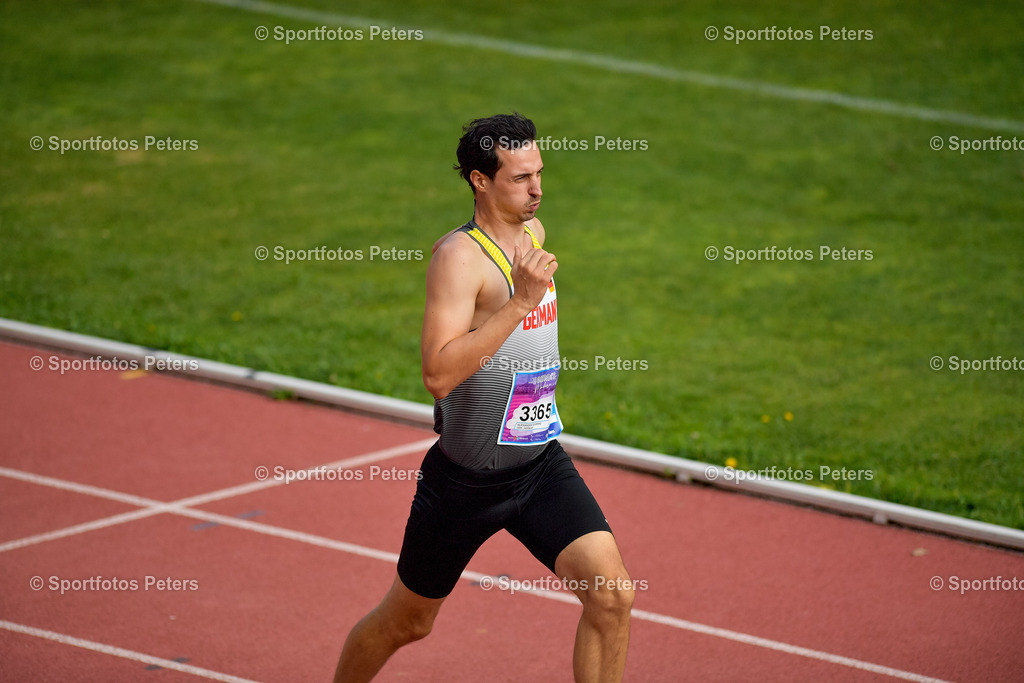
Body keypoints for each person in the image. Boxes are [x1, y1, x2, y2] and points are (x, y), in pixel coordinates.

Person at [334, 113, 633, 682]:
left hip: (539, 466)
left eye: (539, 173)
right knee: (408, 623)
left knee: (612, 596)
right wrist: (520, 302)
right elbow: (438, 375)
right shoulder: (458, 259)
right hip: (464, 485)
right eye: (520, 178)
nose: (537, 189)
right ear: (479, 180)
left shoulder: (533, 234)